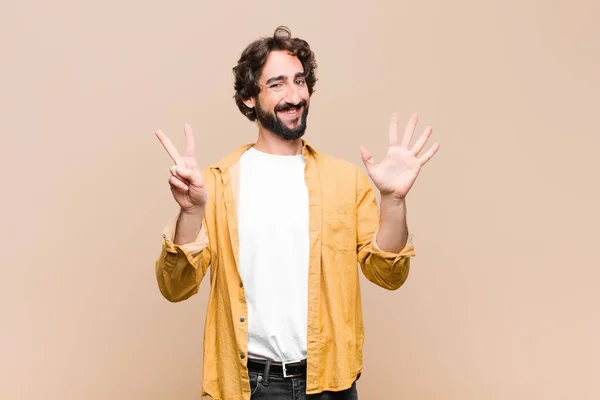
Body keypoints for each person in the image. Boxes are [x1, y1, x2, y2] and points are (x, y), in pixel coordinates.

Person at [153, 26, 439, 400]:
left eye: (300, 81)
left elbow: (388, 273)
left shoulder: (344, 180)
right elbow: (175, 288)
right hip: (249, 386)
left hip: (331, 384)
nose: (294, 95)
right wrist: (190, 213)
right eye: (277, 84)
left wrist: (393, 201)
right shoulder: (218, 184)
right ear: (249, 98)